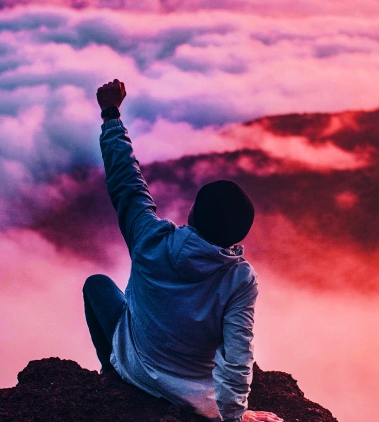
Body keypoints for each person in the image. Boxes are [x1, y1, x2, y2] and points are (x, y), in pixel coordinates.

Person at [83, 79, 283, 422]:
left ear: (192, 214)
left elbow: (127, 185)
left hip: (137, 369)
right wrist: (235, 416)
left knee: (97, 285)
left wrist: (110, 115)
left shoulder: (150, 238)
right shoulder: (240, 279)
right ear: (238, 236)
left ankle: (111, 373)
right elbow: (238, 355)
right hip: (196, 396)